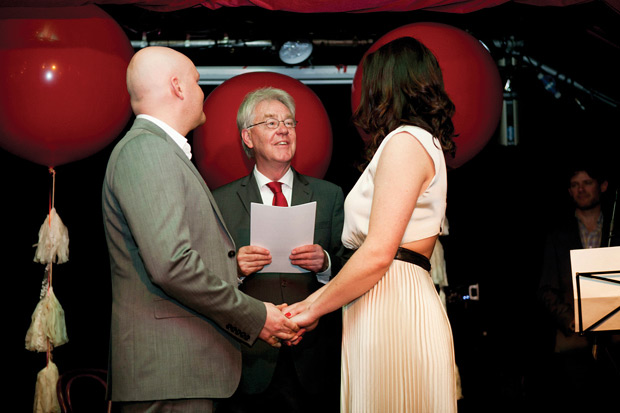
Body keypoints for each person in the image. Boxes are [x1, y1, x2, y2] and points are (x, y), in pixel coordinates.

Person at [102, 47, 299, 412]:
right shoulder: (149, 151)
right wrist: (257, 317)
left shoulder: (159, 151)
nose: (201, 89)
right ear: (177, 87)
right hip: (170, 372)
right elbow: (172, 265)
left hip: (179, 370)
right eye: (195, 80)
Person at [284, 36, 458, 412]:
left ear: (387, 85)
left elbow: (378, 252)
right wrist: (312, 305)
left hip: (393, 299)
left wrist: (310, 309)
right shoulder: (416, 140)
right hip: (384, 295)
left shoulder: (406, 141)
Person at [213, 87, 344, 413]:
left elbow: (354, 267)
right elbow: (200, 279)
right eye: (271, 123)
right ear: (248, 137)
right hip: (248, 359)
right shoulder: (219, 202)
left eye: (289, 122)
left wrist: (325, 263)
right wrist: (235, 269)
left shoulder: (329, 196)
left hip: (313, 361)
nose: (284, 129)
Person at [536, 161, 620, 410]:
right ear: (569, 191)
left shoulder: (616, 231)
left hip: (616, 342)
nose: (580, 189)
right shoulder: (558, 235)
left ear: (602, 186)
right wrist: (572, 320)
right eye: (574, 185)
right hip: (574, 344)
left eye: (586, 183)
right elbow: (545, 289)